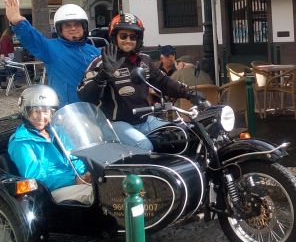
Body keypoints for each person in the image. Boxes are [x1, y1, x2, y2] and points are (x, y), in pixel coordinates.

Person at [77, 12, 206, 151]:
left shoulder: (144, 61)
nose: (128, 40)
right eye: (123, 36)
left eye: (133, 37)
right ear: (114, 37)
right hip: (115, 124)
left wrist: (190, 94)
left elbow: (164, 82)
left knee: (178, 136)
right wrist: (103, 75)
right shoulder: (101, 62)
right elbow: (84, 95)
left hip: (144, 120)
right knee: (145, 147)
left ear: (139, 39)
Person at [3, 0, 99, 107]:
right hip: (65, 111)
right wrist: (18, 23)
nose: (73, 28)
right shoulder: (50, 48)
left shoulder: (95, 52)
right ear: (60, 29)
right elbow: (32, 38)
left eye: (77, 24)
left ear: (84, 27)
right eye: (67, 25)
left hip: (93, 110)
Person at [7, 85, 93, 205]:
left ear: (52, 113)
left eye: (45, 111)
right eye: (36, 111)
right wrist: (73, 180)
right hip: (50, 191)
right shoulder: (21, 142)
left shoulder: (57, 131)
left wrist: (84, 174)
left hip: (75, 182)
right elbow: (35, 176)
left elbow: (74, 156)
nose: (41, 117)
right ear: (26, 113)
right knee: (97, 196)